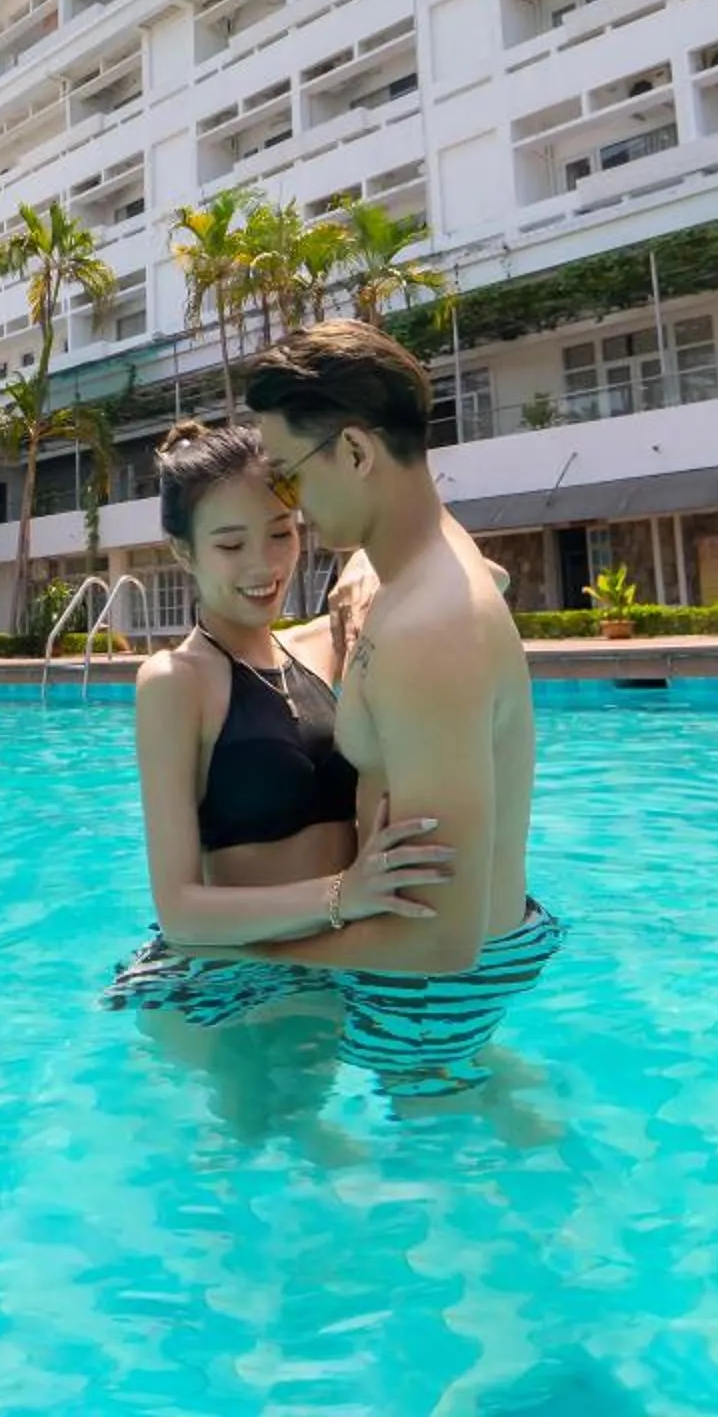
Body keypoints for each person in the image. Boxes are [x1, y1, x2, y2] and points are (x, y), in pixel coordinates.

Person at [225, 320, 558, 1106]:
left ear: (354, 453)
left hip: (435, 989)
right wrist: (354, 593)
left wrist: (255, 946)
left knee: (427, 1195)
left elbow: (442, 937)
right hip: (455, 956)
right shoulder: (408, 560)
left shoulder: (430, 629)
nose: (291, 505)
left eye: (288, 477)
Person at [99, 423, 453, 1120]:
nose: (263, 564)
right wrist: (341, 895)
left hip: (330, 965)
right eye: (230, 545)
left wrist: (364, 567)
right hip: (230, 979)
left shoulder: (324, 648)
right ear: (184, 553)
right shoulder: (175, 682)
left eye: (282, 533)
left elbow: (464, 572)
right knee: (267, 1160)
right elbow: (179, 908)